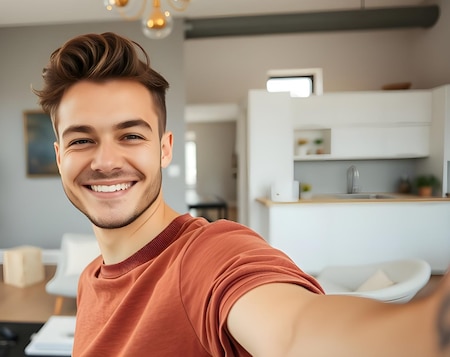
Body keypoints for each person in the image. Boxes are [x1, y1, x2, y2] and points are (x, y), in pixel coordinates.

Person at [34, 32, 449, 356]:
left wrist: (433, 330)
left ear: (164, 149)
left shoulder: (207, 256)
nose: (106, 161)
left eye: (130, 135)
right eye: (81, 140)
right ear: (59, 156)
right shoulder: (91, 279)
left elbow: (292, 332)